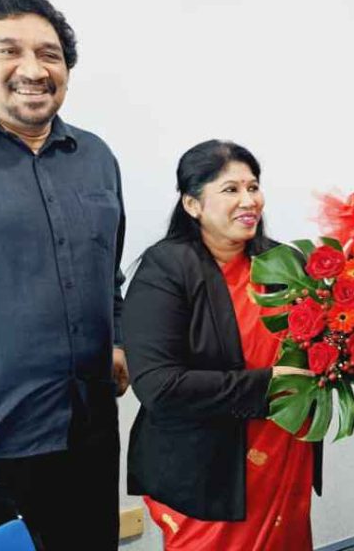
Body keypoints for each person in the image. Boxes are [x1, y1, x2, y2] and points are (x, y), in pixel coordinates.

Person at [0, 0, 126, 549]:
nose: (33, 69)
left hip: (86, 435)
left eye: (50, 55)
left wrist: (119, 340)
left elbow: (109, 275)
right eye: (9, 50)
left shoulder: (95, 156)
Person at [124, 141, 319, 550]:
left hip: (283, 450)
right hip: (206, 466)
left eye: (253, 187)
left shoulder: (283, 261)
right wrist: (268, 384)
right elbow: (159, 386)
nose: (248, 200)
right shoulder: (166, 269)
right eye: (231, 189)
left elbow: (321, 339)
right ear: (192, 204)